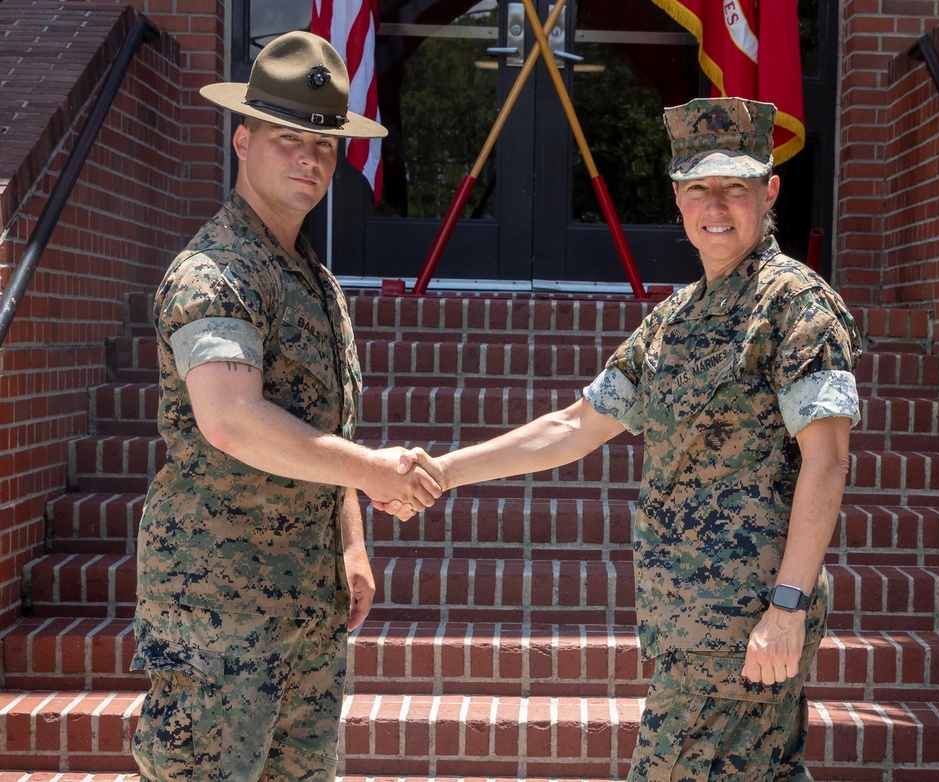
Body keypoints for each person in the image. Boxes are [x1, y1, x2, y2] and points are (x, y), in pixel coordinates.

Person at [382, 98, 862, 780]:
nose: (716, 205)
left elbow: (829, 458)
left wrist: (788, 605)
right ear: (677, 198)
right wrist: (444, 472)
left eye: (736, 186)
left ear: (770, 190)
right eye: (700, 187)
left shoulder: (794, 305)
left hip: (743, 623)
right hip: (688, 622)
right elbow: (574, 427)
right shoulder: (675, 319)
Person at [130, 31, 441, 780]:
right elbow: (231, 420)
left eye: (324, 146)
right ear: (242, 141)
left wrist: (352, 546)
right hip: (219, 610)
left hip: (307, 603)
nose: (310, 159)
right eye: (286, 139)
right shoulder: (214, 273)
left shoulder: (314, 282)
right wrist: (371, 470)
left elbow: (317, 433)